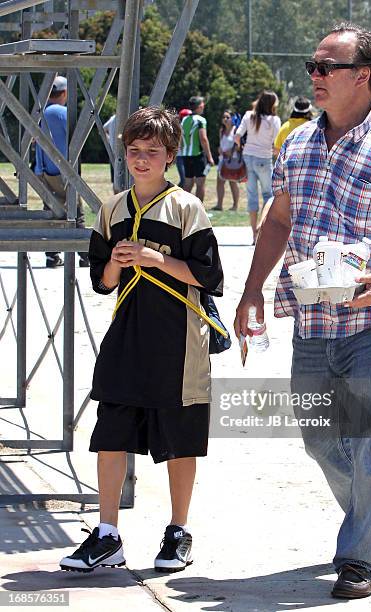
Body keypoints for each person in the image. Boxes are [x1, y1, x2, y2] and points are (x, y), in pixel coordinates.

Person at [234, 23, 371, 599]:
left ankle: (360, 558)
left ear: (364, 77)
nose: (314, 76)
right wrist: (252, 289)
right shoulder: (298, 142)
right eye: (312, 66)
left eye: (326, 66)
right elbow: (279, 220)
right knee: (317, 435)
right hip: (313, 313)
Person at [59, 106, 223, 574]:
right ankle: (107, 534)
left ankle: (178, 530)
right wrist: (118, 260)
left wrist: (155, 258)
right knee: (110, 431)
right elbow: (103, 281)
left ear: (170, 156)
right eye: (134, 151)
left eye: (152, 152)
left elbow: (209, 276)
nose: (142, 159)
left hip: (178, 341)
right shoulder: (111, 208)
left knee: (180, 438)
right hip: (127, 336)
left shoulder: (186, 207)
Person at [34, 76, 89, 268]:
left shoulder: (40, 112)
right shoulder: (63, 113)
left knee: (52, 212)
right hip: (63, 171)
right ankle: (85, 254)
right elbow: (78, 137)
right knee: (76, 211)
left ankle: (52, 254)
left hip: (42, 170)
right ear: (65, 93)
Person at [234, 90, 281, 244]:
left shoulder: (249, 115)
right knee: (268, 195)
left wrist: (240, 147)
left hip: (248, 157)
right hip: (264, 158)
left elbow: (237, 136)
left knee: (252, 197)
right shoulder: (274, 120)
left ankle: (254, 236)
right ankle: (262, 228)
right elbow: (276, 142)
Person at [181, 96, 215, 202]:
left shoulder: (185, 119)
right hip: (198, 155)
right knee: (200, 183)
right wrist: (210, 157)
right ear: (200, 106)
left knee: (188, 183)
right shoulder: (201, 120)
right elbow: (203, 139)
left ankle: (183, 209)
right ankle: (199, 210)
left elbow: (180, 138)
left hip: (186, 155)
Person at [212, 109, 240, 211]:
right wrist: (220, 149)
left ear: (232, 118)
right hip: (222, 160)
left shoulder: (236, 130)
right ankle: (219, 205)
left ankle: (235, 205)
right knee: (220, 182)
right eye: (224, 117)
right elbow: (221, 144)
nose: (225, 119)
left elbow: (239, 145)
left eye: (227, 117)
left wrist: (231, 151)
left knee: (233, 182)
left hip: (233, 160)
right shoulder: (222, 131)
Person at [176, 108, 192, 188]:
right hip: (181, 156)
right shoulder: (180, 127)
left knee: (187, 180)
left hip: (187, 156)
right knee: (184, 180)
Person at [103, 114, 117, 193]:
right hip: (124, 152)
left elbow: (103, 129)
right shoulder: (128, 116)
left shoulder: (112, 118)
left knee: (115, 179)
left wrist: (108, 140)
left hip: (112, 151)